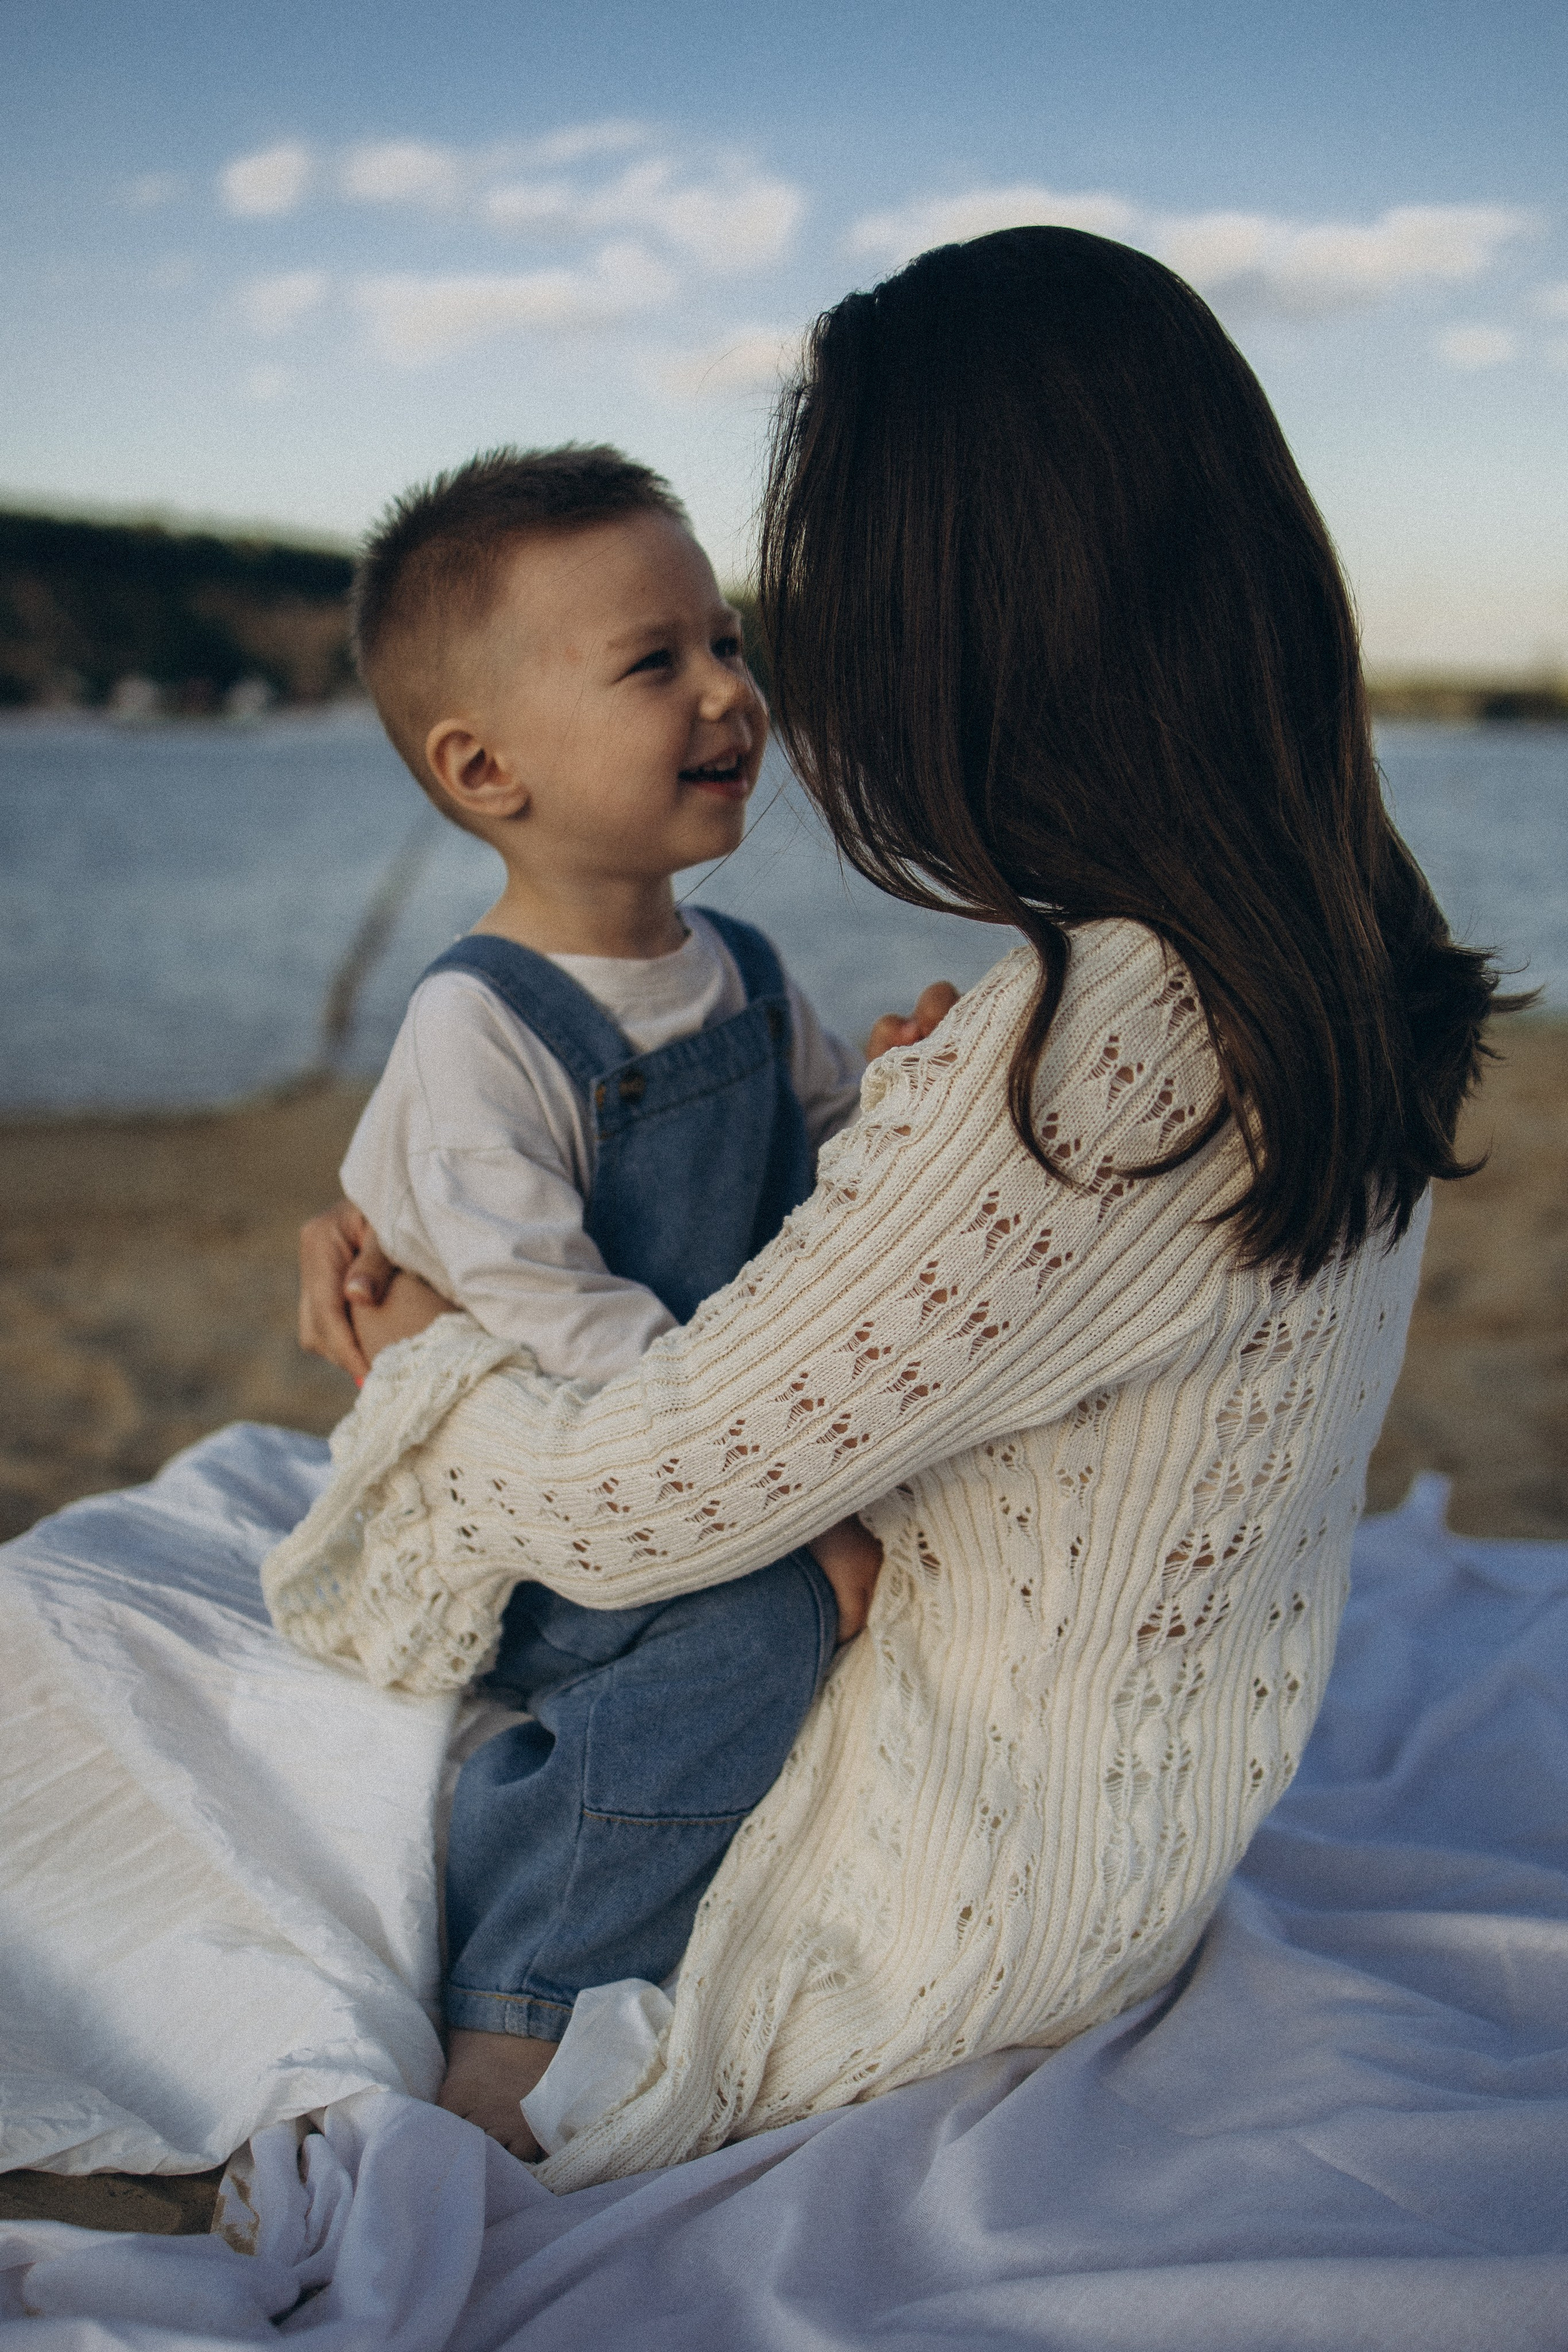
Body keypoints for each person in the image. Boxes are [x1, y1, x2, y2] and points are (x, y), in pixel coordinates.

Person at [276, 226, 1514, 2192]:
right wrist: (926, 1136)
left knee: (147, 1645)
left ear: (982, 620)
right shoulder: (1324, 945)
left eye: (796, 609)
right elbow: (972, 1299)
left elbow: (638, 1500)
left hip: (930, 1907)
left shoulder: (1095, 1054)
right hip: (1128, 1844)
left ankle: (511, 2035)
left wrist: (415, 1356)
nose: (773, 680)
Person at [309, 445, 920, 2154]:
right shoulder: (480, 1032)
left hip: (708, 1454)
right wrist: (802, 1518)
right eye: (657, 662)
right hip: (546, 1504)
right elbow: (568, 1330)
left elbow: (833, 1182)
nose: (729, 691)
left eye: (726, 643)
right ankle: (518, 1999)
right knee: (754, 1631)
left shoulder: (745, 975)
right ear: (483, 767)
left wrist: (904, 1101)